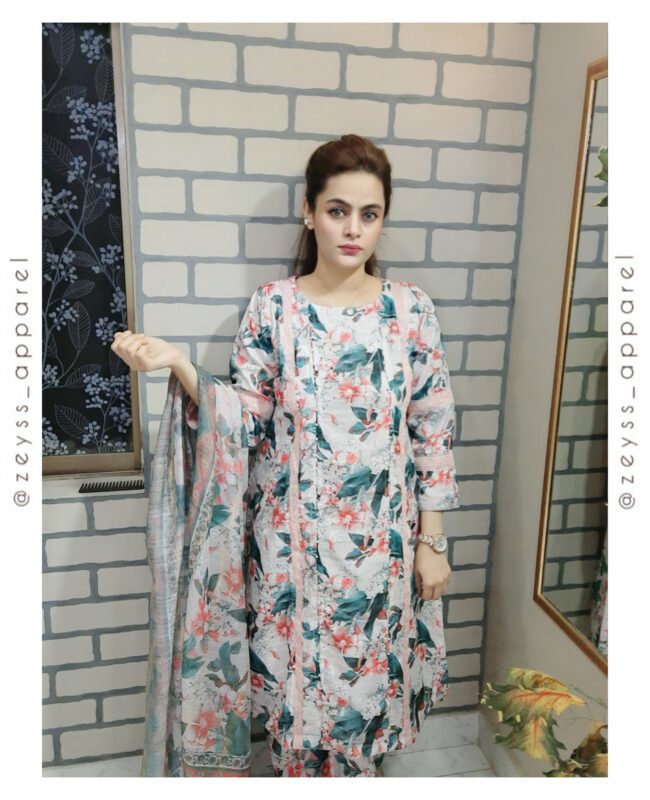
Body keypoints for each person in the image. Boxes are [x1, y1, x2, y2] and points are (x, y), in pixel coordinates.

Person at [112, 133, 460, 777]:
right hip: (290, 552)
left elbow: (431, 429)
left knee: (363, 705)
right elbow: (244, 419)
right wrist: (181, 365)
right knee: (296, 714)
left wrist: (431, 542)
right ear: (309, 212)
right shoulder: (275, 307)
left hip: (379, 555)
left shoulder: (410, 311)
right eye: (337, 210)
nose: (352, 229)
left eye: (369, 214)